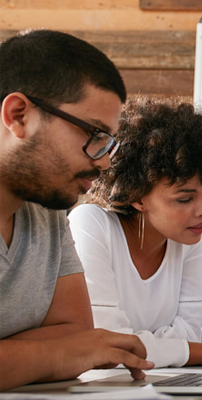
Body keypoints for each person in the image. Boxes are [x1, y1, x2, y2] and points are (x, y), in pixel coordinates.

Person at [0, 30, 153, 391]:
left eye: (109, 143)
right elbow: (77, 349)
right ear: (18, 115)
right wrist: (59, 353)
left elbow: (77, 334)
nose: (103, 164)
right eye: (94, 135)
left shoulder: (48, 209)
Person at [68, 97, 202, 368]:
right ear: (137, 196)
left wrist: (152, 345)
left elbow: (189, 334)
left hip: (160, 384)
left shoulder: (189, 235)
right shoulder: (90, 224)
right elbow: (111, 347)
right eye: (184, 199)